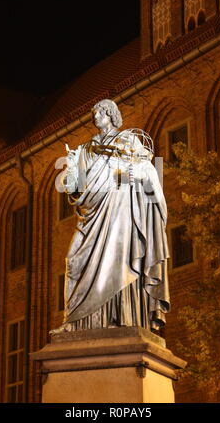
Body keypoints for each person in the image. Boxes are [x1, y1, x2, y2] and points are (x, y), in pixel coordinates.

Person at [52, 99, 170, 334]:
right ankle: (75, 321)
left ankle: (122, 316)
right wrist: (73, 171)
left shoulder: (128, 140)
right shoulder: (85, 149)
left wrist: (140, 174)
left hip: (120, 212)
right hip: (92, 215)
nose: (96, 118)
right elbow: (77, 188)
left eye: (100, 113)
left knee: (120, 262)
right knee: (74, 261)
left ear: (111, 115)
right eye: (94, 114)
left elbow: (146, 170)